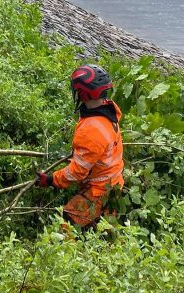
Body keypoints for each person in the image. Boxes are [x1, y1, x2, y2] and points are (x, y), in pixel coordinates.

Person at [36, 64, 124, 230]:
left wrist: (51, 180)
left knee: (67, 224)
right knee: (100, 231)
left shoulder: (91, 129)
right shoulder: (108, 111)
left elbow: (77, 172)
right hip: (114, 183)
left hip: (99, 191)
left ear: (83, 93)